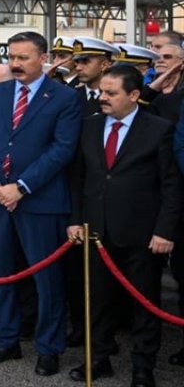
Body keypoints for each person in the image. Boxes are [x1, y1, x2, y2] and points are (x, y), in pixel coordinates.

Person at [0, 31, 82, 377]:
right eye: (11, 57)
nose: (15, 64)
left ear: (43, 57)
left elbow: (62, 149)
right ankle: (6, 340)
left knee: (45, 278)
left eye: (24, 57)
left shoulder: (64, 97)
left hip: (39, 201)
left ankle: (49, 347)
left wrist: (21, 187)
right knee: (0, 272)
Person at [65, 65, 180, 385]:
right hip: (96, 232)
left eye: (111, 93)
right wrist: (75, 221)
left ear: (134, 94)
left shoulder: (158, 129)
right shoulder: (89, 126)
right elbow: (79, 179)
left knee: (144, 304)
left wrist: (164, 231)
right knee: (97, 302)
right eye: (102, 91)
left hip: (142, 235)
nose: (103, 98)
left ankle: (143, 366)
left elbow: (170, 185)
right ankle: (98, 358)